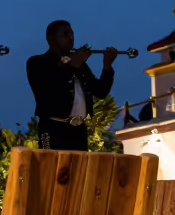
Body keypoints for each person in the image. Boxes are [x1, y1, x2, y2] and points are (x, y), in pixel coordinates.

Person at [26, 21, 117, 151]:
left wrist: (107, 67)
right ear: (51, 39)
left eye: (72, 34)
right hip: (53, 129)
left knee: (79, 169)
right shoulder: (37, 63)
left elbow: (100, 91)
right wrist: (73, 65)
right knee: (52, 168)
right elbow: (48, 91)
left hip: (79, 130)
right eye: (65, 34)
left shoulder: (80, 65)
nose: (71, 38)